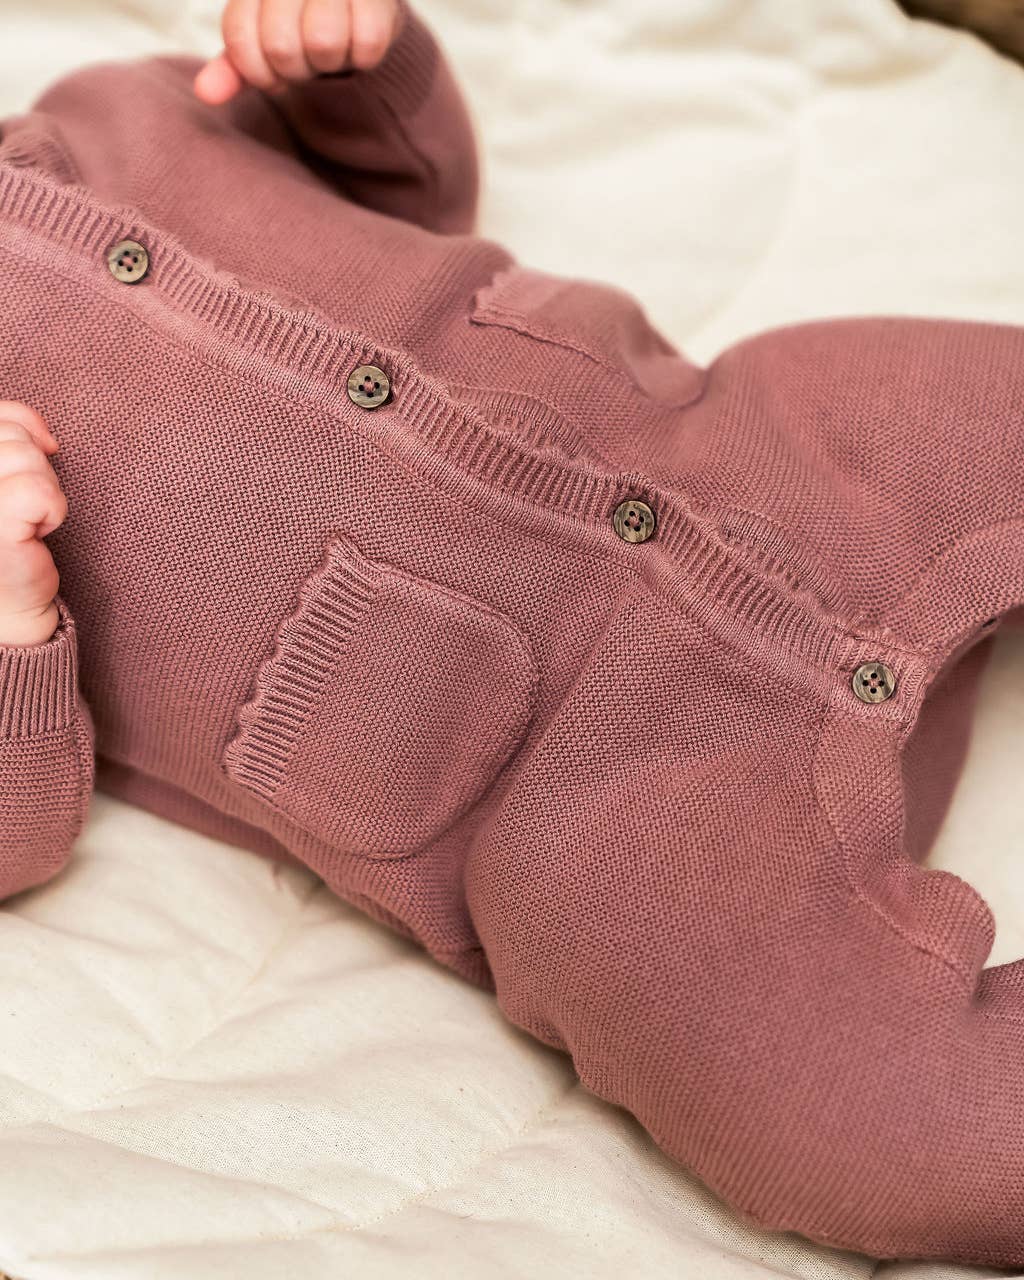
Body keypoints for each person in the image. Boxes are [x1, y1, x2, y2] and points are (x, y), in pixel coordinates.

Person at [2, 0, 1024, 1265]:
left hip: (763, 449)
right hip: (578, 797)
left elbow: (412, 191)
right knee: (846, 1117)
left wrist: (354, 65)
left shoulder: (112, 111)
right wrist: (10, 629)